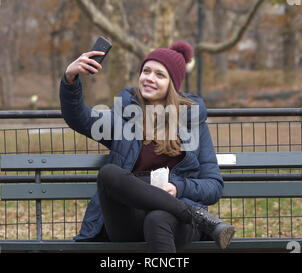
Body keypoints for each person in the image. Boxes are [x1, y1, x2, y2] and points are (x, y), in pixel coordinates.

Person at [59, 40, 235, 253]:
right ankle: (198, 217)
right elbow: (80, 118)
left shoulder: (193, 124)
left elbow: (213, 185)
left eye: (160, 75)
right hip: (128, 220)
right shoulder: (124, 118)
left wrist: (178, 187)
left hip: (173, 223)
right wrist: (70, 78)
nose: (149, 78)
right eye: (146, 71)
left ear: (173, 84)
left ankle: (189, 215)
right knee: (108, 174)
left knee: (157, 219)